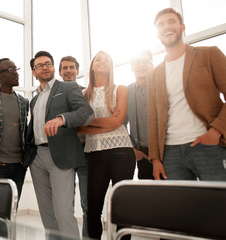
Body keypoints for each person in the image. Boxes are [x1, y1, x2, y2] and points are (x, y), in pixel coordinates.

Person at [148, 8, 226, 180]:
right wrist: (155, 159)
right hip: (170, 153)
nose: (166, 26)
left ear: (182, 27)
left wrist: (217, 131)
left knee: (219, 203)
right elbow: (153, 118)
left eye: (171, 21)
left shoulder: (210, 54)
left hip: (208, 146)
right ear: (157, 33)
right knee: (182, 206)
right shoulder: (154, 74)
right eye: (161, 24)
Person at [24, 51, 94, 237]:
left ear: (54, 68)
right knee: (47, 215)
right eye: (40, 65)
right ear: (34, 72)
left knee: (63, 212)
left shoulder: (67, 88)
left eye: (48, 63)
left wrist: (62, 119)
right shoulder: (34, 99)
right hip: (37, 158)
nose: (45, 67)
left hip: (60, 156)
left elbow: (87, 113)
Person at [78, 51, 135, 240]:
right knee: (93, 207)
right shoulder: (82, 95)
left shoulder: (121, 89)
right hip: (94, 154)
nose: (102, 62)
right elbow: (78, 128)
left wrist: (90, 123)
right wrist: (106, 122)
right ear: (92, 66)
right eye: (98, 59)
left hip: (121, 152)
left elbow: (117, 122)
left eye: (106, 60)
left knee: (122, 205)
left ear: (110, 67)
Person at [0, 58, 29, 201]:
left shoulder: (24, 102)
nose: (16, 73)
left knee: (11, 209)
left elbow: (24, 131)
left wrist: (25, 158)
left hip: (19, 166)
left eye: (16, 69)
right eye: (10, 70)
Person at [59, 56, 89, 238]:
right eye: (65, 68)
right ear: (60, 72)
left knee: (88, 203)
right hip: (65, 154)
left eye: (72, 67)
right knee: (65, 203)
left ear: (78, 71)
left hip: (86, 153)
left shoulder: (88, 93)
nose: (68, 70)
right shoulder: (56, 95)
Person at [124, 50, 154, 179]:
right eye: (137, 62)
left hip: (166, 149)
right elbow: (121, 124)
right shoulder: (126, 91)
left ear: (151, 64)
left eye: (145, 61)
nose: (141, 65)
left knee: (170, 193)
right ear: (131, 67)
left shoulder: (161, 86)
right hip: (141, 152)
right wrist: (133, 150)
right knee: (148, 195)